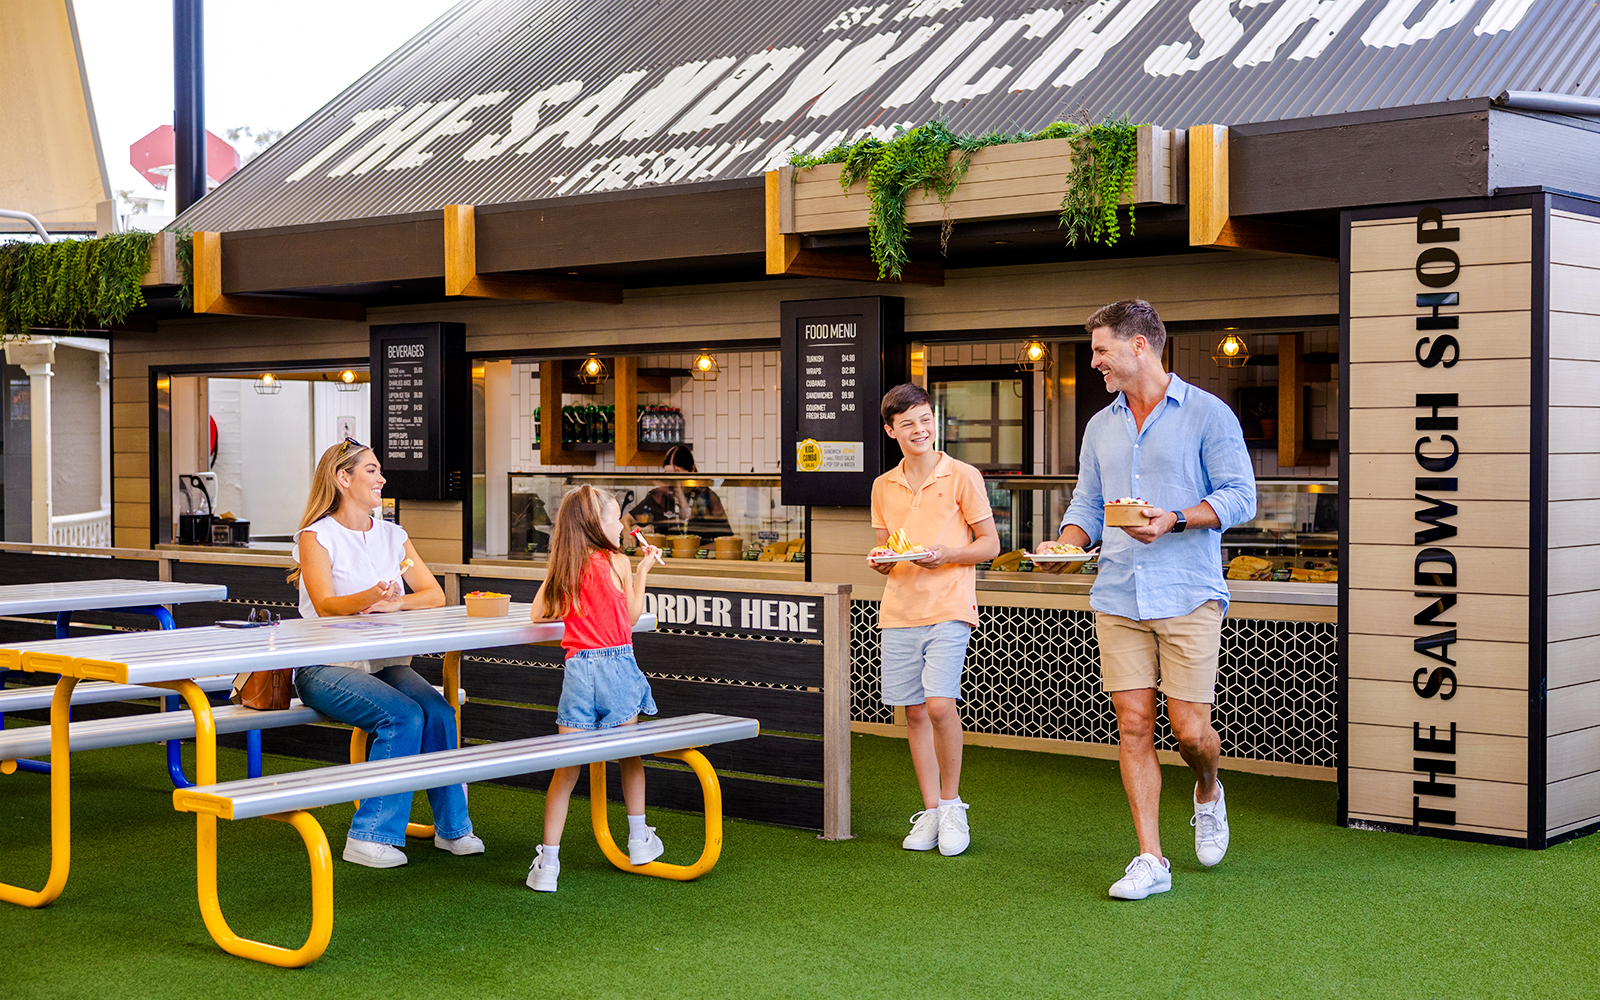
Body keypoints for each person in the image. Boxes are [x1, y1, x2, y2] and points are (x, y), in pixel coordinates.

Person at [1046, 299, 1256, 900]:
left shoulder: (1208, 415)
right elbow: (1087, 505)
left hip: (1188, 592)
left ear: (1141, 346)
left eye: (1101, 351)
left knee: (1190, 732)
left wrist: (1176, 519)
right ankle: (1150, 857)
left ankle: (1208, 790)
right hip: (1116, 592)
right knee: (1133, 724)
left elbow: (1242, 497)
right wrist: (1064, 545)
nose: (1095, 363)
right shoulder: (1100, 425)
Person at [289, 438, 483, 868]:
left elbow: (433, 594)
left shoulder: (395, 537)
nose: (382, 478)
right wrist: (370, 595)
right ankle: (368, 836)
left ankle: (453, 830)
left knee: (438, 710)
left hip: (382, 664)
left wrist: (395, 602)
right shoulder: (315, 536)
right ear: (344, 478)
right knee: (403, 715)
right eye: (372, 470)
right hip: (324, 666)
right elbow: (325, 604)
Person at [869, 383, 1000, 857]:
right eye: (908, 424)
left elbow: (990, 545)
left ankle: (952, 805)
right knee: (914, 711)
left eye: (925, 419)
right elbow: (888, 545)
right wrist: (882, 559)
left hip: (949, 606)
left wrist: (947, 555)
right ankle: (930, 810)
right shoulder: (883, 485)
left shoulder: (963, 475)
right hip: (899, 609)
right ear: (891, 431)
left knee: (941, 705)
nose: (919, 429)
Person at [525, 484, 666, 892]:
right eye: (614, 518)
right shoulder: (618, 560)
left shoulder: (566, 566)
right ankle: (638, 840)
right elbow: (632, 614)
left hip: (577, 672)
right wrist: (642, 573)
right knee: (629, 757)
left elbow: (538, 614)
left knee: (567, 772)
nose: (622, 524)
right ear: (595, 524)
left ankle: (548, 863)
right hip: (618, 667)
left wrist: (558, 574)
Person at [627, 443, 731, 539]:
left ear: (692, 469)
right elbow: (627, 519)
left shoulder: (706, 497)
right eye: (668, 474)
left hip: (699, 555)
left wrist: (679, 492)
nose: (673, 479)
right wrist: (627, 535)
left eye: (677, 473)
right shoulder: (659, 495)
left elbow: (724, 538)